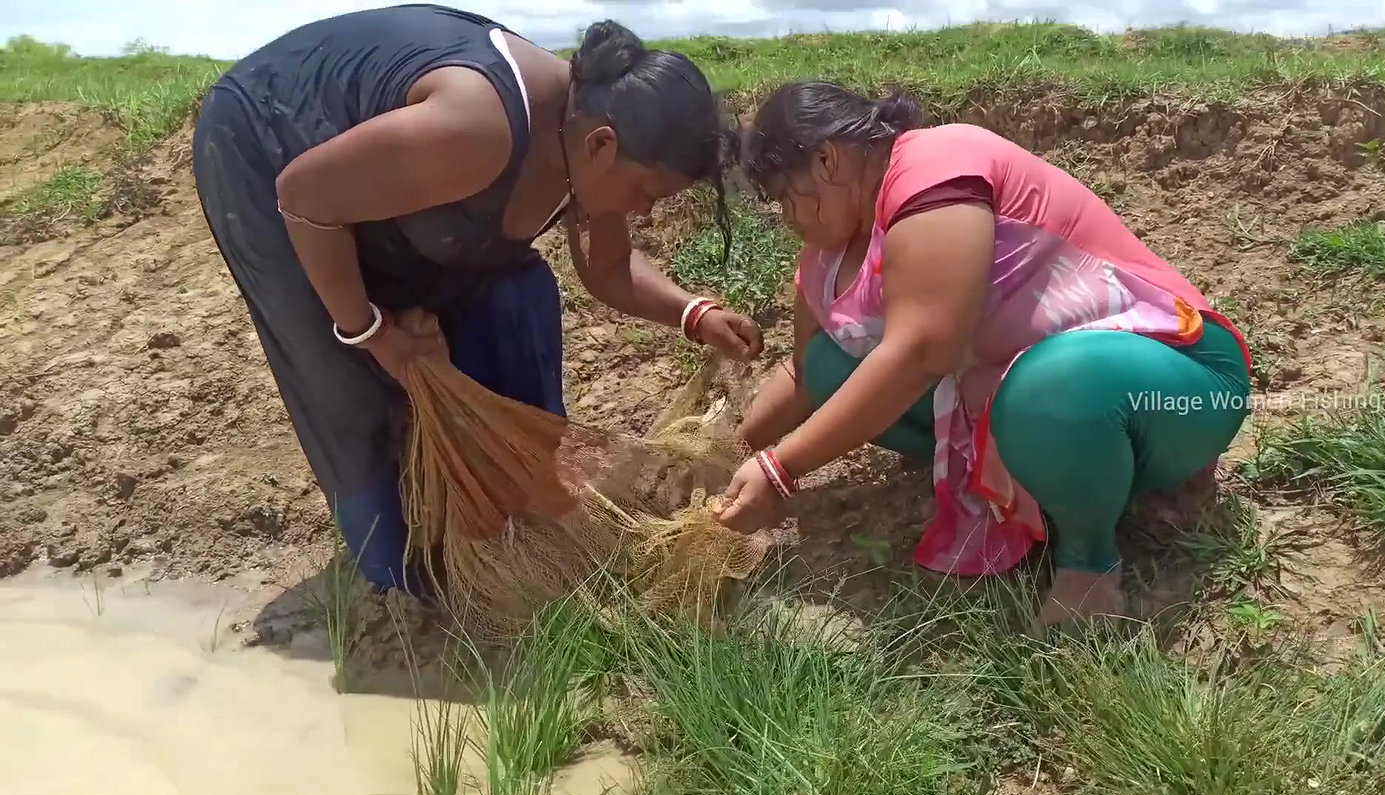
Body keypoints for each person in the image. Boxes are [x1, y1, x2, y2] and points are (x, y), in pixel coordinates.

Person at [192, 5, 762, 594]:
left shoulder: (587, 138)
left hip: (386, 174)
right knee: (348, 378)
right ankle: (398, 575)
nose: (644, 211)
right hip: (270, 144)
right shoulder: (477, 129)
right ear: (602, 145)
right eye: (646, 193)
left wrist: (693, 313)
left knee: (517, 295)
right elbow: (305, 198)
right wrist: (369, 331)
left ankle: (501, 514)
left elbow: (611, 267)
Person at [717, 82, 1252, 625]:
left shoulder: (935, 164)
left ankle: (1088, 564)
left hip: (1177, 387)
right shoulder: (834, 251)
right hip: (1040, 406)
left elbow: (922, 350)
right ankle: (1061, 484)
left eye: (786, 197)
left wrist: (780, 468)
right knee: (838, 366)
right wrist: (730, 454)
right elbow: (808, 371)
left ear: (827, 160)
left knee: (1046, 387)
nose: (788, 218)